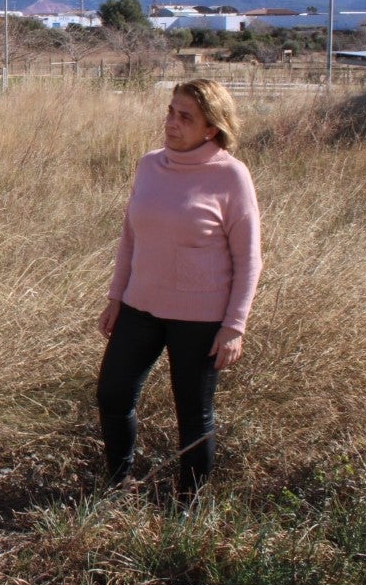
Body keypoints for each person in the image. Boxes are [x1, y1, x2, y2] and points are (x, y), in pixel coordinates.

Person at [96, 78, 261, 501]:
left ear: (211, 128)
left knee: (193, 414)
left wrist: (234, 326)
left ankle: (187, 506)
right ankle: (119, 484)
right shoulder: (149, 165)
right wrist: (116, 297)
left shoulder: (231, 175)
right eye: (171, 112)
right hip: (139, 308)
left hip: (201, 320)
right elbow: (130, 237)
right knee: (112, 395)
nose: (171, 123)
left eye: (185, 117)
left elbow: (249, 259)